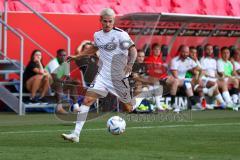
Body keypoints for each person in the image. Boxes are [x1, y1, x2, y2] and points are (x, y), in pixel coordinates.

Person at [61, 8, 137, 142]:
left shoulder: (121, 35)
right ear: (100, 21)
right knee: (87, 100)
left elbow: (133, 50)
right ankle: (76, 134)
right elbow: (94, 48)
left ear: (114, 21)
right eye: (105, 21)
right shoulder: (97, 35)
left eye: (110, 21)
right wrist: (77, 56)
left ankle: (137, 101)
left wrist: (130, 64)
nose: (108, 24)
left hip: (118, 77)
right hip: (102, 76)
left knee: (128, 108)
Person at [45, 49, 81, 113]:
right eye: (61, 55)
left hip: (57, 83)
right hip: (46, 83)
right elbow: (54, 78)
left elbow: (68, 77)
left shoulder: (65, 64)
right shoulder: (54, 62)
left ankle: (76, 107)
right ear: (57, 56)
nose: (63, 57)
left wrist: (72, 82)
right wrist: (67, 82)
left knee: (72, 85)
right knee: (58, 84)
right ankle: (59, 108)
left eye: (65, 55)